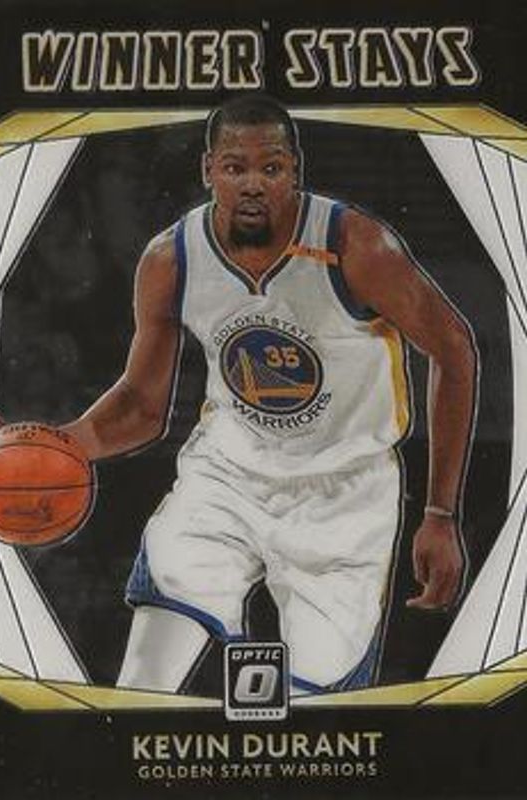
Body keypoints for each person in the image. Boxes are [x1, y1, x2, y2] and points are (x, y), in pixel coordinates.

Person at [59, 94, 477, 694]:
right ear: (209, 170)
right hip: (226, 479)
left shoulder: (357, 247)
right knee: (140, 687)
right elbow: (142, 407)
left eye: (271, 167)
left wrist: (440, 514)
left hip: (344, 494)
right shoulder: (171, 258)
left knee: (310, 714)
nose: (253, 183)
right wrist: (57, 446)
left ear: (294, 172)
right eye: (235, 167)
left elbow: (454, 349)